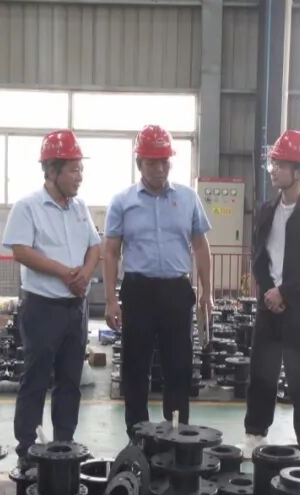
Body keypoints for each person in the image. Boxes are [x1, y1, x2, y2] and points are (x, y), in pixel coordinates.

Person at [103, 124, 213, 435]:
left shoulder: (188, 198)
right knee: (135, 368)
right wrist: (111, 299)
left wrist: (207, 291)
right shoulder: (122, 201)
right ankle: (137, 435)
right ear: (139, 163)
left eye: (165, 161)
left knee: (178, 367)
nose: (160, 168)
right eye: (152, 162)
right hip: (138, 291)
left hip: (176, 292)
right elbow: (110, 252)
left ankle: (177, 435)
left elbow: (201, 245)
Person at [2, 129, 101, 469]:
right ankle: (27, 450)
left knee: (70, 380)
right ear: (52, 171)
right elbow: (21, 251)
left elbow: (95, 246)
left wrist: (84, 273)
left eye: (81, 169)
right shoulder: (28, 207)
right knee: (36, 379)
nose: (79, 176)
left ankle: (64, 446)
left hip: (75, 308)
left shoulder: (80, 208)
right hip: (42, 308)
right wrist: (63, 273)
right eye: (73, 169)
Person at [243, 129, 300, 454]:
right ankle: (255, 436)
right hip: (269, 306)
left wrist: (284, 292)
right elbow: (258, 256)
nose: (274, 170)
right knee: (262, 372)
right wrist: (269, 291)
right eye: (274, 164)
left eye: (281, 165)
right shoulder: (266, 211)